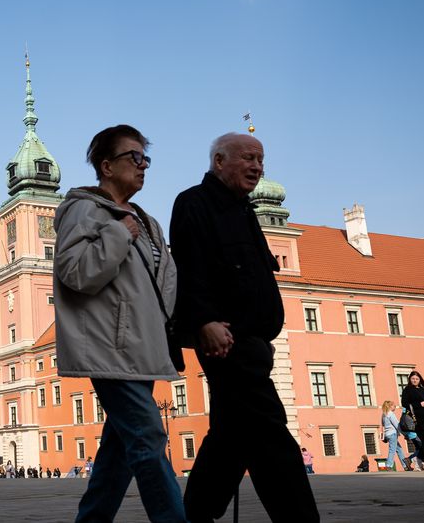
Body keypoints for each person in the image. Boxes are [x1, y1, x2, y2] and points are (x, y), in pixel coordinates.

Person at [171, 132, 318, 522]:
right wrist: (204, 321)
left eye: (261, 160)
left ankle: (193, 515)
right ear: (219, 161)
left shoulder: (243, 209)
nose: (257, 167)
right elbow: (189, 267)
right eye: (248, 158)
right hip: (226, 340)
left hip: (254, 340)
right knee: (271, 434)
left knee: (230, 438)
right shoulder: (193, 203)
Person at [53, 125, 185, 523]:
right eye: (135, 157)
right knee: (147, 440)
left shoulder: (146, 221)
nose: (144, 166)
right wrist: (116, 233)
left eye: (146, 159)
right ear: (106, 166)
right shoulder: (86, 210)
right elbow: (74, 272)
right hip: (111, 348)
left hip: (142, 348)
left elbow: (162, 285)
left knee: (116, 455)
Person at [381, 401, 412, 471]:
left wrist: (384, 435)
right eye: (393, 406)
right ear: (389, 406)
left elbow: (383, 425)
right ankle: (389, 465)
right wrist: (405, 434)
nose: (395, 407)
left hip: (388, 434)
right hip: (392, 434)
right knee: (392, 449)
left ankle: (405, 466)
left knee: (399, 450)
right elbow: (397, 425)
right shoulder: (391, 414)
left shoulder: (384, 414)